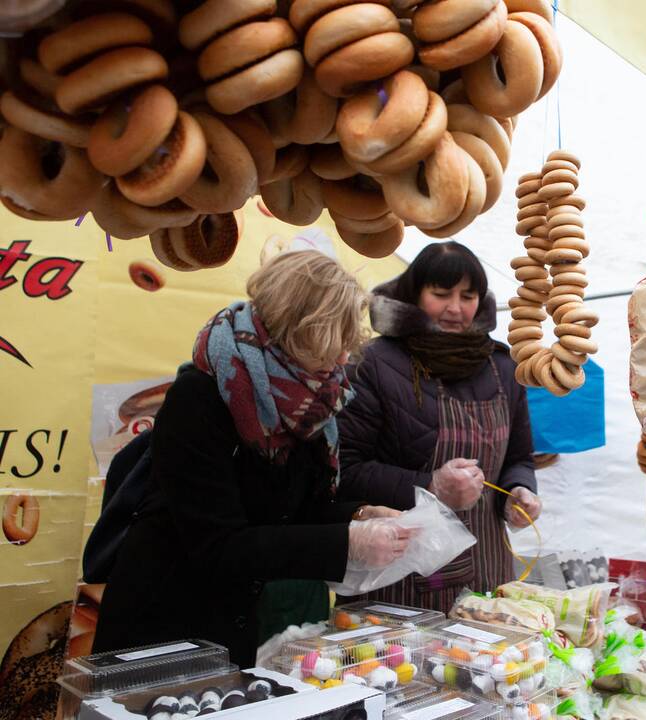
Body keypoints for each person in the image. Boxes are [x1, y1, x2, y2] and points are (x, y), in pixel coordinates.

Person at [93, 251, 412, 666]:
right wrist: (345, 542)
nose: (341, 361)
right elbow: (219, 545)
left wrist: (361, 516)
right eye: (332, 340)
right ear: (295, 330)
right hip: (161, 628)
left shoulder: (313, 403)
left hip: (232, 629)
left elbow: (298, 511)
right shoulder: (201, 399)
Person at [337, 241, 541, 612]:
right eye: (441, 293)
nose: (455, 308)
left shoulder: (503, 368)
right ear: (414, 294)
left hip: (488, 571)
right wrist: (431, 485)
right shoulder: (374, 364)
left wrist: (520, 490)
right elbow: (345, 470)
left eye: (468, 295)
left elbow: (519, 457)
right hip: (399, 581)